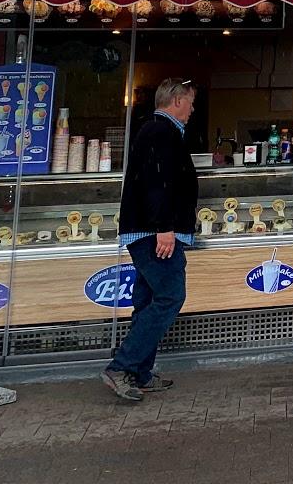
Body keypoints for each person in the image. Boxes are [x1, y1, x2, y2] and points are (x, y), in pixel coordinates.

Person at [102, 78, 199, 401]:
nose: (192, 109)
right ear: (176, 101)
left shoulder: (157, 131)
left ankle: (139, 373)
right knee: (171, 296)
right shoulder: (160, 132)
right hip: (153, 233)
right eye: (190, 102)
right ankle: (121, 366)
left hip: (149, 230)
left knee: (147, 301)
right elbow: (158, 183)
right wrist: (164, 228)